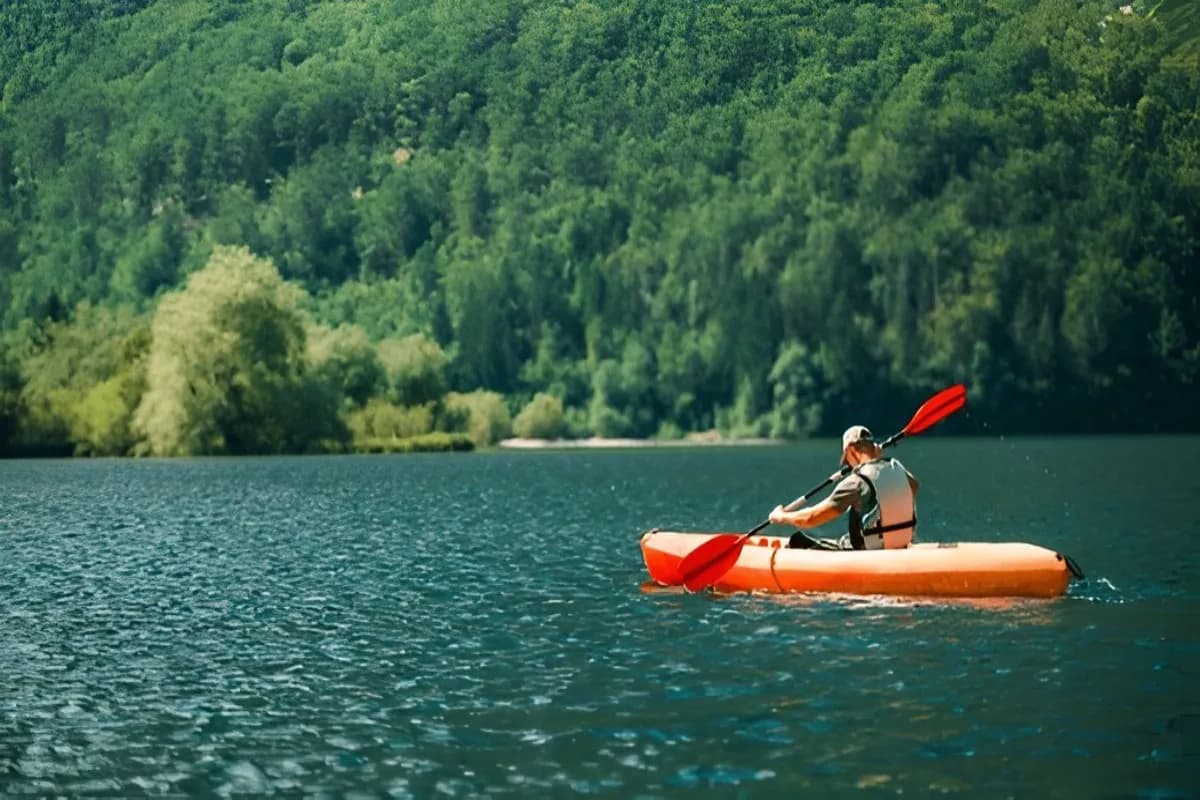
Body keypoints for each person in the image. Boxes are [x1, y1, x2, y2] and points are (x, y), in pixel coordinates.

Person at [768, 425, 919, 550]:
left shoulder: (855, 483)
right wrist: (877, 460)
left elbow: (811, 518)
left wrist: (781, 516)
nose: (848, 465)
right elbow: (913, 487)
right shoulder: (898, 470)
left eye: (847, 460)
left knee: (797, 541)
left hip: (867, 555)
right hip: (899, 547)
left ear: (851, 451)